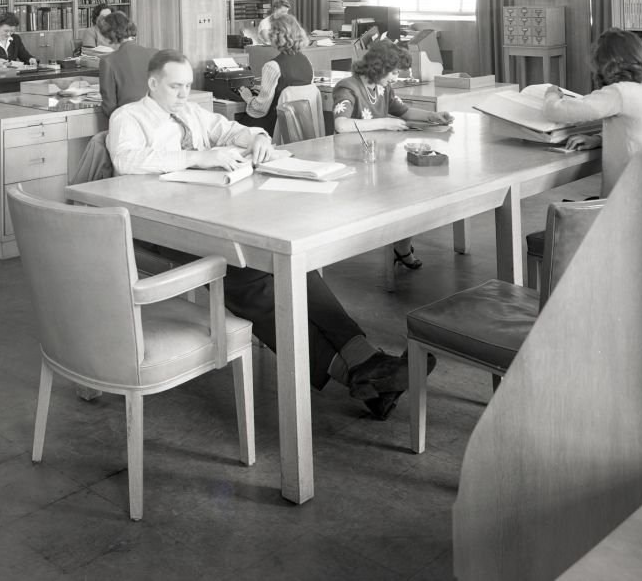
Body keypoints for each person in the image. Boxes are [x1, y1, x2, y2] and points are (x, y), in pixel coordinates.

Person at [108, 49, 420, 420]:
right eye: (175, 86)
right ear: (152, 83)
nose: (182, 94)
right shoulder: (129, 117)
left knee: (292, 267)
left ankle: (364, 364)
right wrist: (196, 158)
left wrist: (257, 138)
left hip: (208, 214)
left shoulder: (192, 112)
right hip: (163, 226)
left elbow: (235, 129)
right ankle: (358, 370)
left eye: (187, 86)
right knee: (250, 279)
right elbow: (126, 160)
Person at [332, 41, 453, 269]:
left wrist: (432, 116)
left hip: (378, 160)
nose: (396, 78)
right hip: (354, 164)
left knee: (413, 188)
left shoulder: (383, 88)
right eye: (394, 72)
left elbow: (403, 111)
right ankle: (401, 247)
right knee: (405, 190)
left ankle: (402, 245)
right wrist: (384, 122)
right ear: (379, 67)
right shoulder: (347, 87)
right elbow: (342, 125)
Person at [541, 27, 642, 197]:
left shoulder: (620, 92)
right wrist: (598, 139)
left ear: (606, 64)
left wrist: (551, 94)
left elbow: (556, 111)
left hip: (626, 201)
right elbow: (636, 129)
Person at [238, 13, 314, 137]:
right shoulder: (308, 62)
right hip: (300, 124)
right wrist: (263, 90)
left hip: (275, 124)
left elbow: (260, 108)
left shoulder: (272, 66)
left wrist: (248, 97)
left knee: (237, 125)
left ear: (274, 35)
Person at [96, 11, 157, 117]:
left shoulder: (108, 61)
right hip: (158, 119)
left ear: (108, 36)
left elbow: (109, 105)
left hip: (128, 121)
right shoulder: (156, 53)